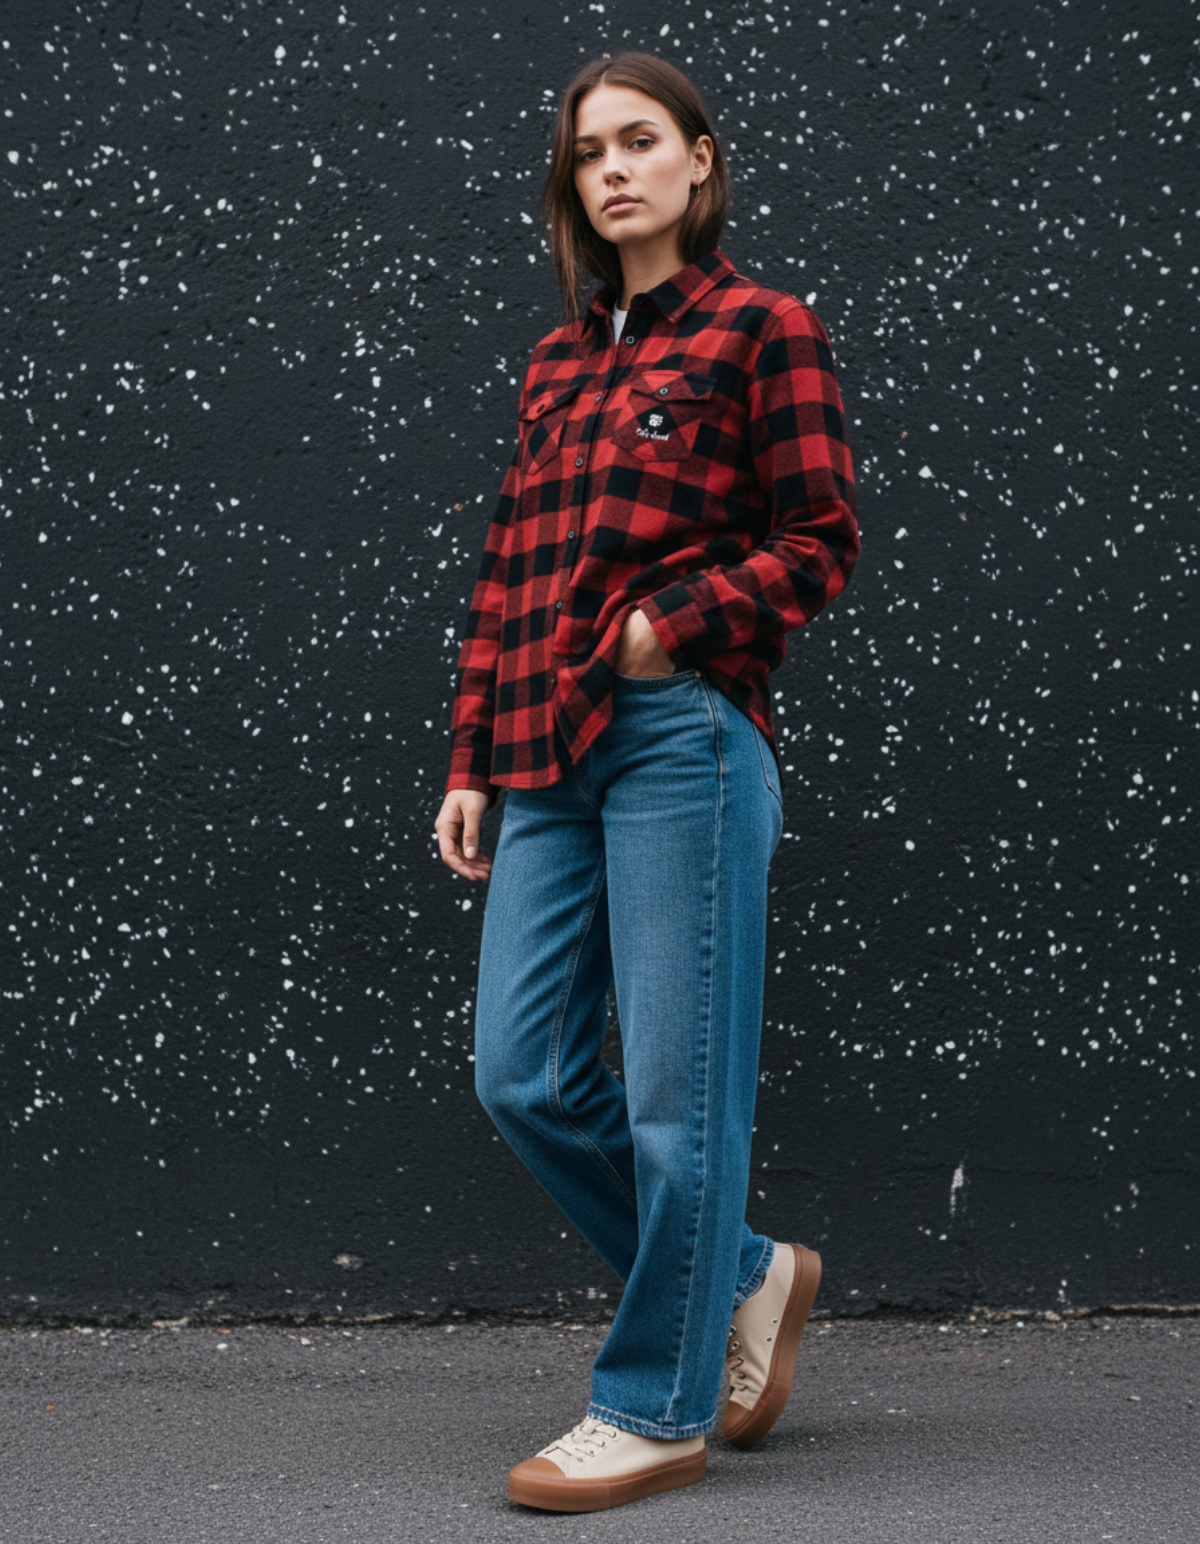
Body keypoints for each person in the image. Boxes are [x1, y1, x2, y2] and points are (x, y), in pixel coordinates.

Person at [435, 50, 860, 1513]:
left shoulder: (761, 329)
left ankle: (654, 1406)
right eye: (589, 153)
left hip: (683, 742)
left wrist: (659, 631)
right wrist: (473, 757)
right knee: (522, 1072)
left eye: (640, 142)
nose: (612, 169)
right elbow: (510, 574)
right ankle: (743, 1278)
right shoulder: (560, 365)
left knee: (684, 1102)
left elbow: (819, 542)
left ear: (697, 161)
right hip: (543, 751)